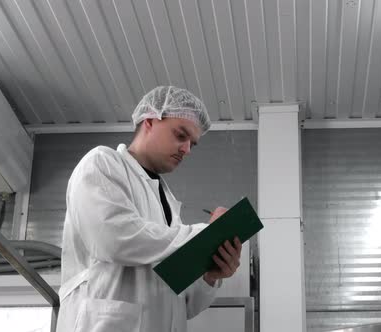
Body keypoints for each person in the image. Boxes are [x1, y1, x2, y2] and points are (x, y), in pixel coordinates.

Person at [56, 86, 243, 332]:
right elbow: (114, 238)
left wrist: (210, 275)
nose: (187, 149)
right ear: (149, 120)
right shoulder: (102, 163)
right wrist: (204, 235)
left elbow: (182, 305)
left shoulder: (169, 208)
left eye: (192, 144)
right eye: (180, 135)